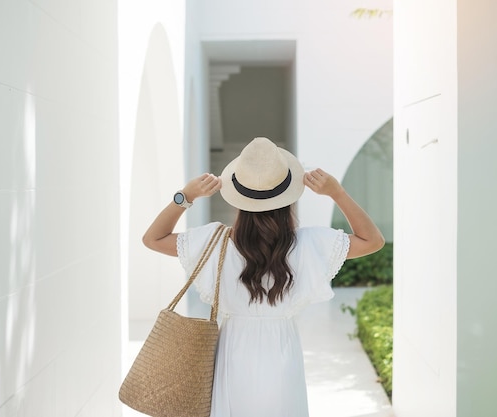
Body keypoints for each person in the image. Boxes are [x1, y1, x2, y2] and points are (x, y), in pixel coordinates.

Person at [142, 137, 384, 417]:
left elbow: (153, 238)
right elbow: (373, 240)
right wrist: (337, 192)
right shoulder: (308, 244)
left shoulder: (215, 241)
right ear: (287, 198)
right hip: (282, 354)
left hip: (232, 353)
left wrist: (185, 196)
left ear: (239, 198)